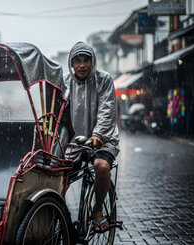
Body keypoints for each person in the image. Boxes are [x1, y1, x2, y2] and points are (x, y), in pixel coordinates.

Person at [64, 41, 120, 233]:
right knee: (55, 174)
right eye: (77, 61)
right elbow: (58, 113)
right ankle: (55, 212)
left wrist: (97, 134)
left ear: (92, 61)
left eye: (86, 60)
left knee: (101, 166)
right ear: (71, 64)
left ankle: (97, 210)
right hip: (75, 142)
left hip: (103, 138)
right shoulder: (65, 83)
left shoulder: (104, 79)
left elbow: (107, 110)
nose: (81, 65)